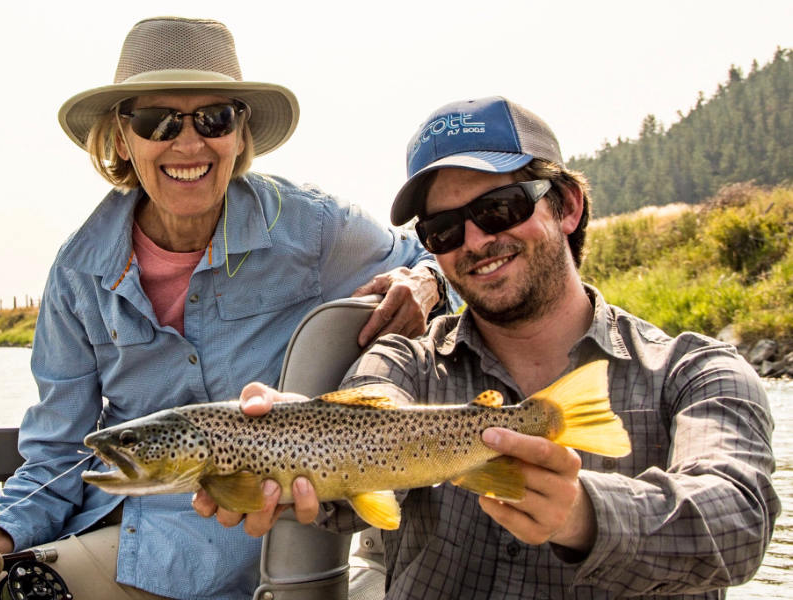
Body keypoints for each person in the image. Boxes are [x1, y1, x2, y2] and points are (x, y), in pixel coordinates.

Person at [0, 17, 452, 600]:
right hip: (117, 527)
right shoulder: (76, 272)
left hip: (269, 547)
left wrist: (426, 283)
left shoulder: (314, 228)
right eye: (157, 121)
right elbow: (56, 458)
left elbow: (443, 253)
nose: (187, 144)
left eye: (213, 118)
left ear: (240, 134)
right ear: (123, 138)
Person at [213, 96, 781, 599]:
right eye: (445, 230)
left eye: (499, 209)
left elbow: (737, 523)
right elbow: (366, 417)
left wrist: (584, 514)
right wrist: (290, 445)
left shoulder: (696, 372)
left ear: (567, 206)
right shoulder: (404, 361)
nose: (477, 241)